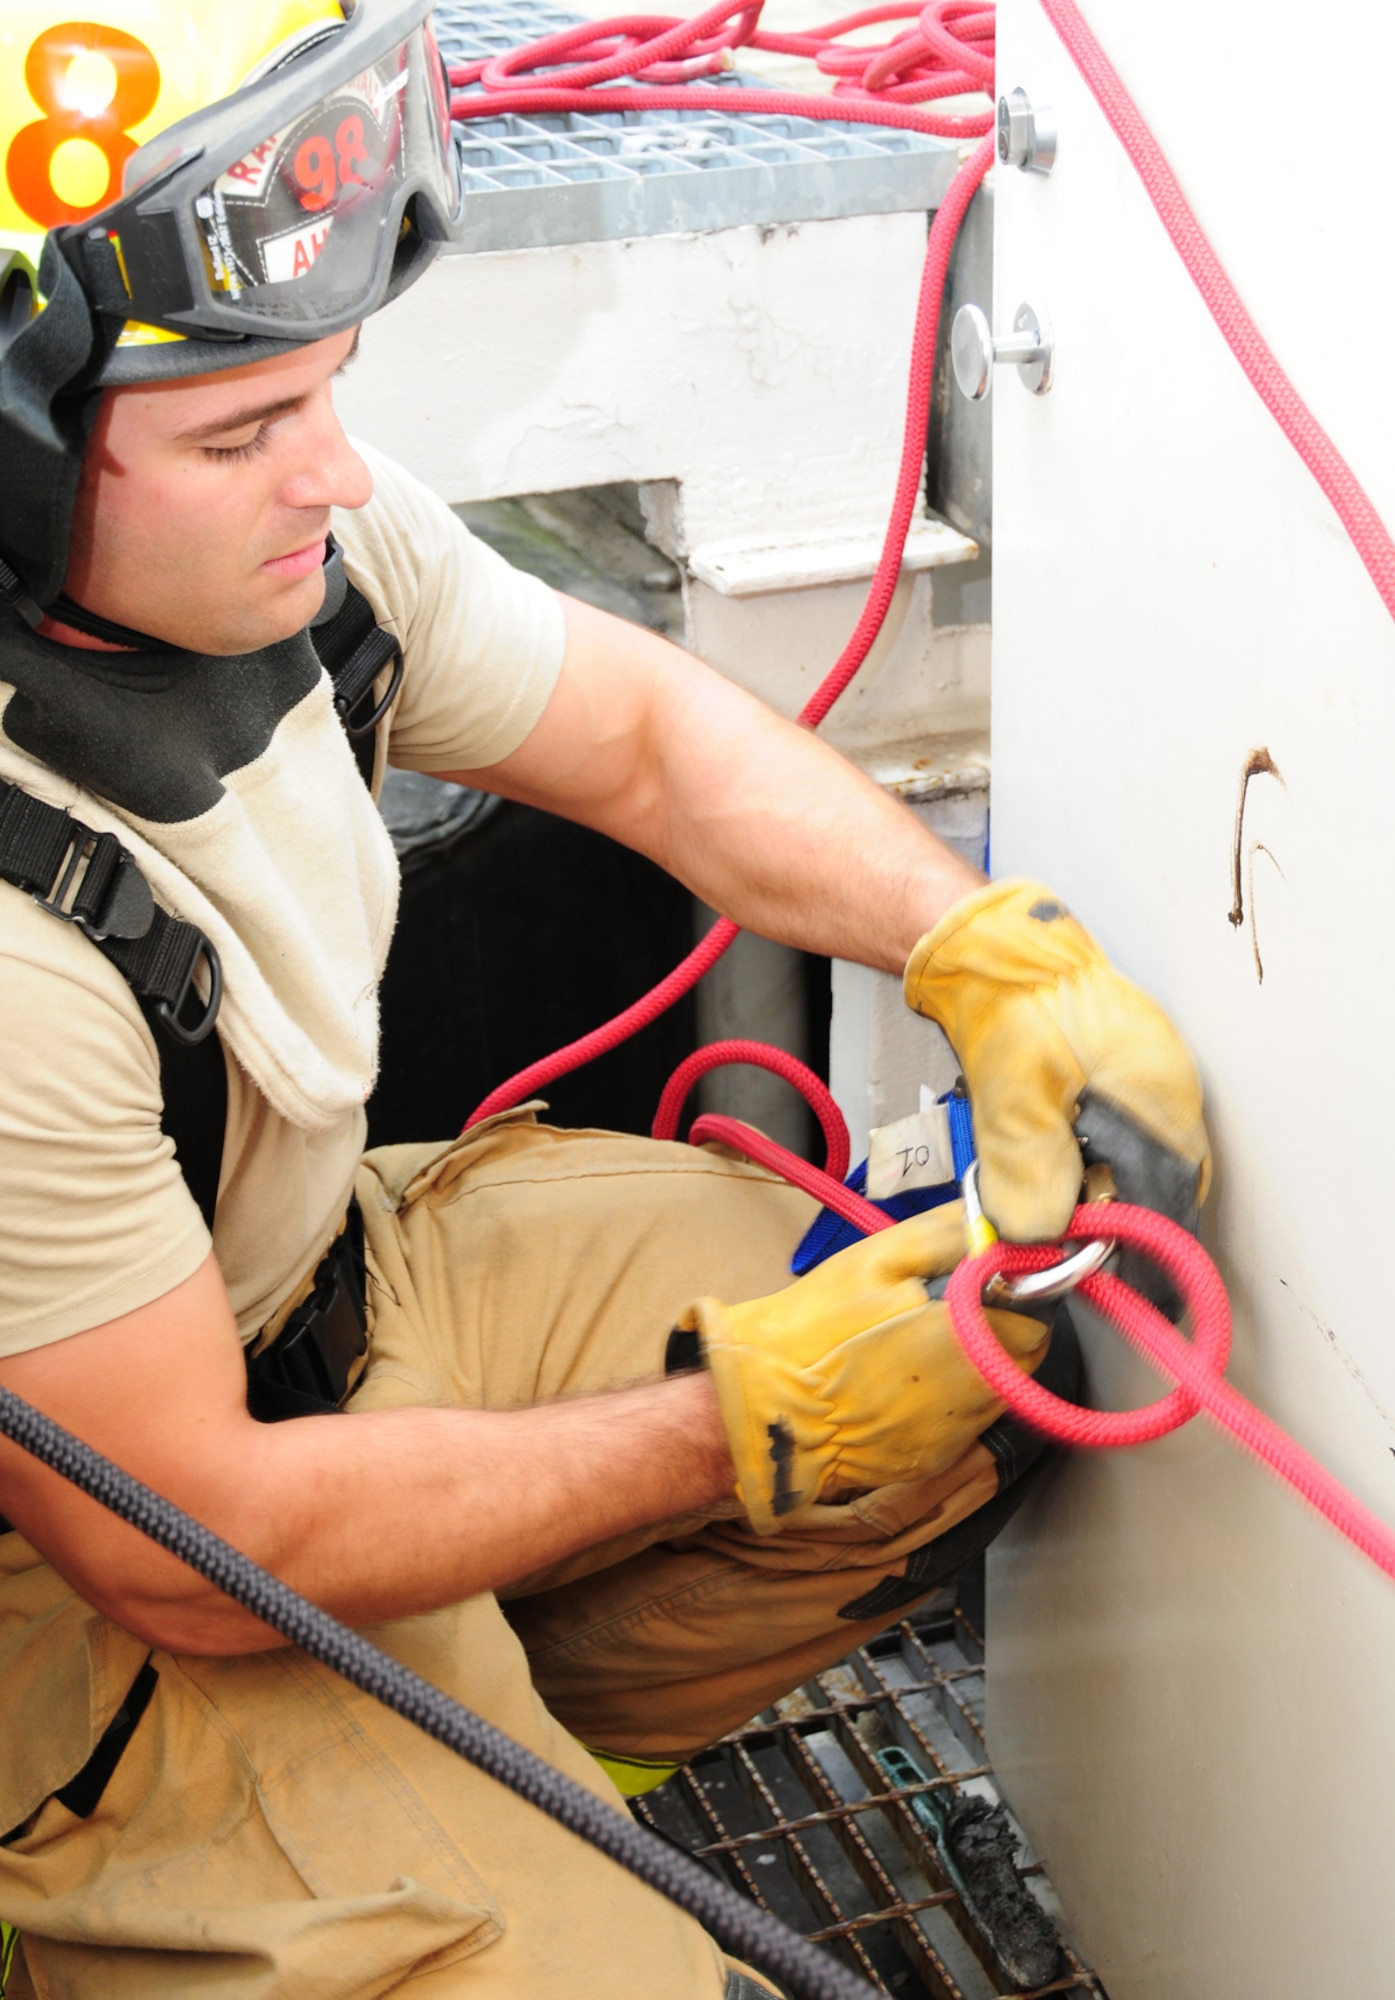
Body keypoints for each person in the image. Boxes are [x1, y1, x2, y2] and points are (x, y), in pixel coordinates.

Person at [0, 4, 1211, 1995]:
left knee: (975, 1363)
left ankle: (500, 1750)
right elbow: (179, 1541)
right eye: (237, 435)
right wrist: (732, 1421)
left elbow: (649, 743)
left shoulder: (293, 535)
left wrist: (987, 951)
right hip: (100, 1589)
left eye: (328, 390)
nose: (330, 473)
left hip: (320, 1300)